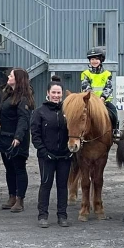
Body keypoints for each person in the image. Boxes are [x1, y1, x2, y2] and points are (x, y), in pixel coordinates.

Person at [30, 77, 71, 228]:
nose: (56, 95)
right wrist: (43, 151)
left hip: (64, 156)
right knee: (46, 184)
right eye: (53, 92)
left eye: (58, 93)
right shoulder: (39, 112)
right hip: (46, 157)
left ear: (62, 94)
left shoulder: (67, 111)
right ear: (48, 93)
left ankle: (62, 215)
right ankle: (43, 215)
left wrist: (70, 151)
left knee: (62, 186)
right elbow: (35, 135)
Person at [0, 68, 34, 213]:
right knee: (9, 169)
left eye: (11, 75)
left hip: (17, 139)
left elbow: (23, 119)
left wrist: (18, 137)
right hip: (5, 138)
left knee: (19, 168)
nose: (8, 76)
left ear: (18, 79)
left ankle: (20, 199)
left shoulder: (23, 98)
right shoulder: (7, 95)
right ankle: (12, 196)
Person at [80, 46, 121, 140]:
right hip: (89, 102)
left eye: (96, 59)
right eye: (92, 59)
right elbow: (86, 87)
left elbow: (108, 87)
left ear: (101, 60)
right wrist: (94, 100)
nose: (94, 61)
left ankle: (115, 130)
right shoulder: (85, 73)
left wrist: (102, 98)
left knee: (114, 112)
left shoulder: (107, 74)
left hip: (103, 102)